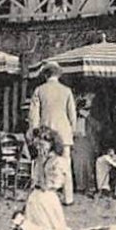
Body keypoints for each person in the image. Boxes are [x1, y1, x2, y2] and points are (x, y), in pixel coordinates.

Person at [5, 126, 70, 230]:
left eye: (43, 144)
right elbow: (34, 182)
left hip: (48, 202)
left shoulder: (58, 161)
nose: (40, 148)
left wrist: (45, 184)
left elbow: (56, 182)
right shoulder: (38, 161)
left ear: (51, 144)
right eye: (37, 145)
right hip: (34, 201)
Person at [27, 61, 76, 205]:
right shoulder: (66, 91)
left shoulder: (39, 90)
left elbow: (33, 115)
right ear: (58, 74)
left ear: (45, 74)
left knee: (43, 163)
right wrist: (71, 131)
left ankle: (44, 194)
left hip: (46, 134)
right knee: (65, 164)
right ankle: (68, 198)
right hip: (64, 133)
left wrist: (34, 132)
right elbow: (72, 114)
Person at [71, 92, 99, 196]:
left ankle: (89, 186)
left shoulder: (94, 114)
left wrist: (87, 116)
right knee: (77, 161)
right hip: (76, 140)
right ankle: (80, 186)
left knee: (87, 161)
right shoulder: (73, 114)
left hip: (89, 141)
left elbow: (99, 128)